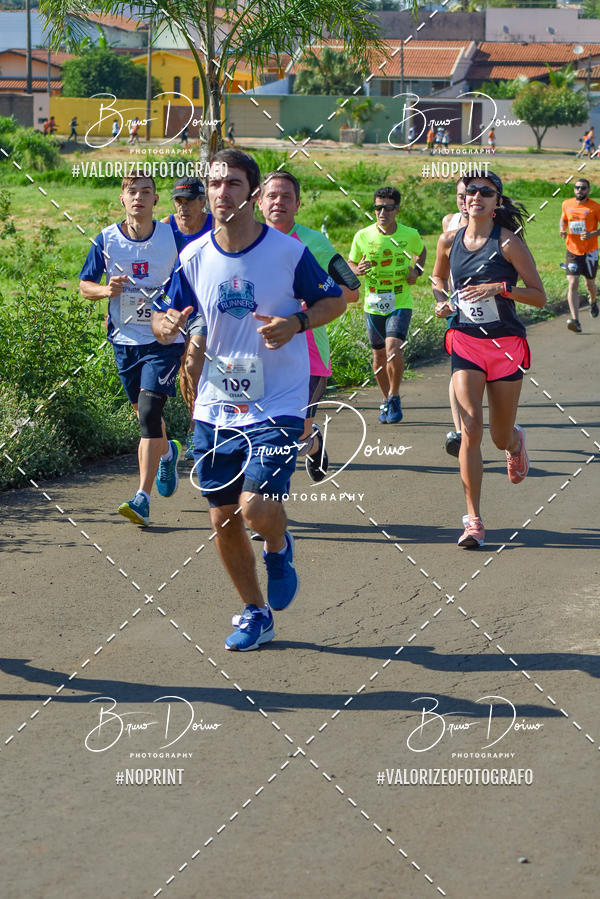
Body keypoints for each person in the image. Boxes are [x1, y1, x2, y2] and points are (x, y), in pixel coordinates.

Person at [152, 149, 357, 652]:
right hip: (216, 404)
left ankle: (279, 545)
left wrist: (298, 322)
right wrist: (169, 327)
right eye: (215, 184)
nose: (222, 193)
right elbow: (163, 316)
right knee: (221, 516)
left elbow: (335, 298)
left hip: (279, 400)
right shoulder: (192, 257)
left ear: (252, 191)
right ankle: (255, 612)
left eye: (234, 184)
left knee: (256, 506)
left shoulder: (288, 253)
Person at [432, 172, 546, 548]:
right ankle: (473, 521)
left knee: (498, 436)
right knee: (471, 430)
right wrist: (442, 302)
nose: (476, 196)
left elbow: (539, 296)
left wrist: (500, 288)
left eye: (486, 192)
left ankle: (515, 445)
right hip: (466, 342)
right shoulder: (449, 240)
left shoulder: (508, 243)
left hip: (505, 347)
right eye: (470, 191)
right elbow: (437, 278)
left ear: (497, 202)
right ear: (462, 200)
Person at [79, 175, 184, 526]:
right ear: (122, 199)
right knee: (145, 413)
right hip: (125, 341)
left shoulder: (172, 236)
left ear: (156, 200)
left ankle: (142, 497)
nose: (138, 198)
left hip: (165, 339)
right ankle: (168, 452)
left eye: (145, 192)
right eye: (132, 192)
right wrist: (106, 291)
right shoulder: (106, 240)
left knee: (149, 411)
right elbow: (84, 285)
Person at [258, 169, 359, 483]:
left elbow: (352, 290)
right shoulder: (246, 240)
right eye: (272, 196)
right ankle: (268, 502)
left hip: (309, 351)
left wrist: (309, 301)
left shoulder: (315, 242)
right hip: (261, 350)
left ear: (298, 204)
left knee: (297, 432)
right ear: (259, 202)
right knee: (267, 431)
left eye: (287, 196)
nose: (279, 202)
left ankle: (312, 442)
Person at [348, 186, 426, 424]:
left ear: (397, 210)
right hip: (373, 305)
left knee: (393, 348)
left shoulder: (409, 234)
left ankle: (394, 395)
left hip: (400, 301)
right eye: (378, 207)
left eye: (388, 208)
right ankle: (387, 399)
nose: (383, 212)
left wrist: (417, 272)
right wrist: (356, 270)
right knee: (379, 356)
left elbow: (421, 254)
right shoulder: (363, 236)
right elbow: (350, 262)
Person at [160, 177, 214, 458]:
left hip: (205, 308)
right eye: (179, 201)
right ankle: (198, 423)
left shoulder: (215, 225)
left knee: (193, 363)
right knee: (184, 370)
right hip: (172, 309)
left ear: (202, 201)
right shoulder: (165, 227)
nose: (183, 208)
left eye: (190, 201)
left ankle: (197, 432)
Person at [441, 178, 469, 458]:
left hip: (493, 310)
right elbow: (439, 273)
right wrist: (441, 301)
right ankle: (459, 432)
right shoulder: (448, 222)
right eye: (460, 194)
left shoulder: (495, 227)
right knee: (457, 368)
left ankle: (506, 432)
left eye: (469, 194)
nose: (464, 200)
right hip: (457, 307)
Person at [560, 178, 600, 331]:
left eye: (583, 188)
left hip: (590, 252)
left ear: (588, 190)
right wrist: (563, 229)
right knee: (572, 283)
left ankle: (593, 300)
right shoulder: (566, 204)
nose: (579, 190)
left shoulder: (595, 207)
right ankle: (575, 320)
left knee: (590, 284)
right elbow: (563, 220)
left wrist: (592, 234)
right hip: (572, 250)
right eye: (576, 188)